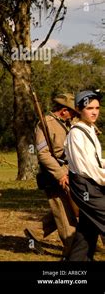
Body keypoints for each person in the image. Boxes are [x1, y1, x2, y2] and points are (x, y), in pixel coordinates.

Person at [26, 93, 78, 259]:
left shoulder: (68, 123)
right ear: (64, 111)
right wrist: (60, 173)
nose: (75, 115)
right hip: (54, 176)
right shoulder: (45, 124)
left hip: (71, 173)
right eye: (73, 112)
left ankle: (35, 232)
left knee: (68, 210)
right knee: (64, 216)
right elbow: (43, 154)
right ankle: (71, 253)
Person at [64, 90, 104, 261]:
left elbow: (96, 162)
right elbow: (88, 168)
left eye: (97, 108)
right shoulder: (76, 134)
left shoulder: (88, 130)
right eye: (89, 108)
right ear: (80, 109)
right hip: (85, 186)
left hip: (92, 184)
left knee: (87, 232)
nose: (94, 111)